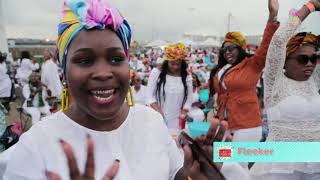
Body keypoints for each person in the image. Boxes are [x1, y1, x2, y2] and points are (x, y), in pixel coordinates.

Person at [2, 1, 248, 179]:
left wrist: (193, 173)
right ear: (63, 70)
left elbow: (175, 174)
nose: (103, 72)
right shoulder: (35, 148)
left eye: (116, 58)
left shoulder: (150, 121)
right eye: (85, 60)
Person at [250, 1, 320, 179]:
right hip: (281, 163)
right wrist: (310, 7)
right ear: (285, 60)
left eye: (314, 58)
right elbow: (280, 40)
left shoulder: (313, 81)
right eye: (303, 59)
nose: (310, 64)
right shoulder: (275, 82)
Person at [208, 0, 279, 169]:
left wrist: (272, 17)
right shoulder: (221, 69)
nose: (228, 52)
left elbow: (265, 46)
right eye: (225, 49)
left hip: (247, 126)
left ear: (240, 48)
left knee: (237, 167)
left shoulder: (252, 64)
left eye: (232, 48)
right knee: (224, 166)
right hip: (225, 124)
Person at [146, 43, 193, 130]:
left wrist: (184, 112)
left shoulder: (186, 76)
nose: (175, 67)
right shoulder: (156, 72)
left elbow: (189, 98)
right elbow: (149, 96)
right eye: (172, 64)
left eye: (178, 64)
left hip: (177, 120)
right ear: (167, 61)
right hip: (157, 117)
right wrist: (159, 113)